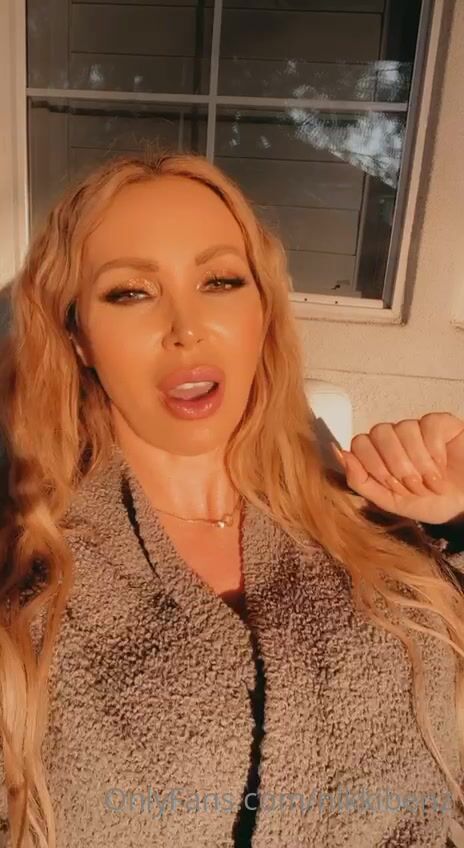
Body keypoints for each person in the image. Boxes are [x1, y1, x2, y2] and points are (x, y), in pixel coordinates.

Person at [0, 148, 463, 848]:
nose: (186, 327)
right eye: (131, 293)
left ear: (262, 310)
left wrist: (459, 517)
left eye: (220, 280)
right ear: (78, 337)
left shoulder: (377, 523)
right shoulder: (29, 583)